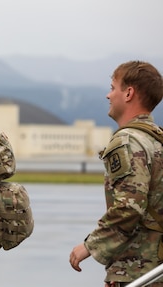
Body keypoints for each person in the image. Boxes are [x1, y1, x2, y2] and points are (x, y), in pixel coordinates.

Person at [69, 61, 163, 287]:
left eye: (113, 88)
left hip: (137, 270)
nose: (108, 95)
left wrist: (91, 246)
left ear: (129, 93)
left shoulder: (128, 140)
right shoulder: (157, 139)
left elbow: (129, 207)